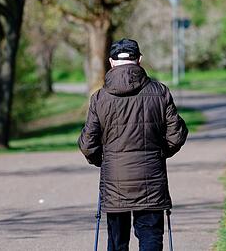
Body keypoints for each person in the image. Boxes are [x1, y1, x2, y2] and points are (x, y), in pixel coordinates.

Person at [78, 38, 188, 251]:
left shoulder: (99, 98)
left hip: (114, 181)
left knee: (117, 241)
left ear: (111, 62)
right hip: (151, 179)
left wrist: (101, 160)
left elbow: (87, 143)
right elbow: (177, 134)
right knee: (151, 237)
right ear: (139, 60)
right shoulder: (160, 92)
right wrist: (160, 153)